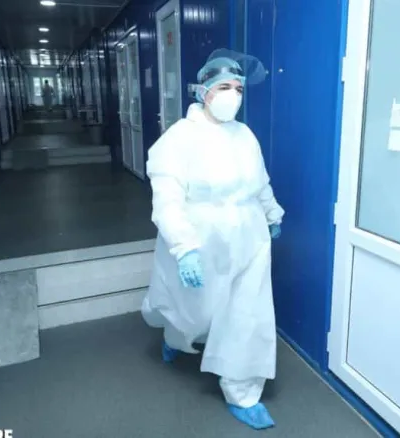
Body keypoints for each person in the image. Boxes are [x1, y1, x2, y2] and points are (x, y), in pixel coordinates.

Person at [140, 49, 284, 430]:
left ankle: (242, 391)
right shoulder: (179, 138)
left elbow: (259, 182)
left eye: (238, 88)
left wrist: (272, 214)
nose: (233, 95)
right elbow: (167, 199)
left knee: (246, 313)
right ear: (203, 91)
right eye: (224, 87)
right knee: (195, 308)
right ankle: (175, 336)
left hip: (249, 238)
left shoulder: (244, 135)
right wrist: (184, 247)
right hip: (200, 239)